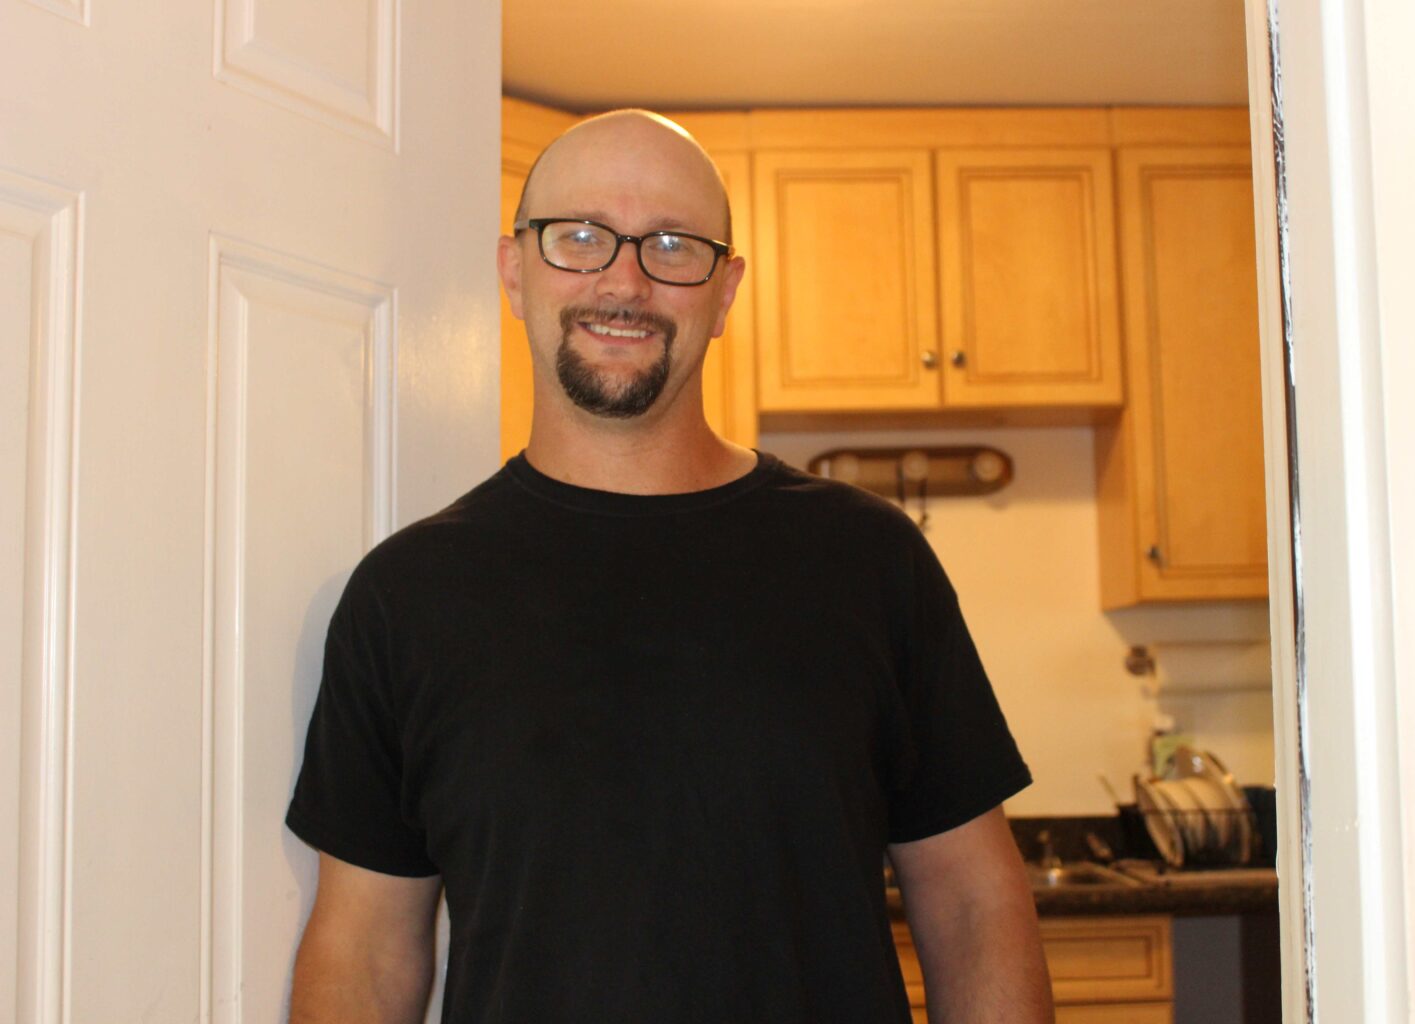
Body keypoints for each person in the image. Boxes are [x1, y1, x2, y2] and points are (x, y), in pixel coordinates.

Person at [286, 109, 1055, 1024]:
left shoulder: (870, 561)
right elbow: (366, 953)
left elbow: (974, 908)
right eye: (578, 238)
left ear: (725, 292)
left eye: (673, 245)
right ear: (513, 271)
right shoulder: (404, 598)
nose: (624, 280)